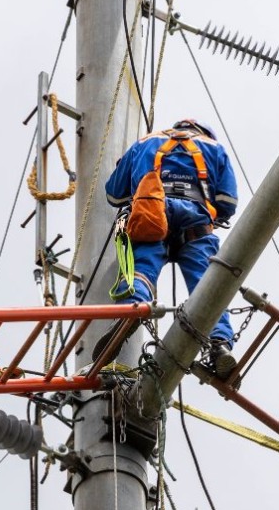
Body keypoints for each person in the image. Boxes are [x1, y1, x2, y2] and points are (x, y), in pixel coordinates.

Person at [101, 118, 240, 376]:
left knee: (141, 267)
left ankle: (130, 310)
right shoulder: (214, 148)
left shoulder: (144, 143)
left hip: (152, 212)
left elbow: (113, 194)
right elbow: (227, 201)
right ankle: (219, 343)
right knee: (207, 284)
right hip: (195, 222)